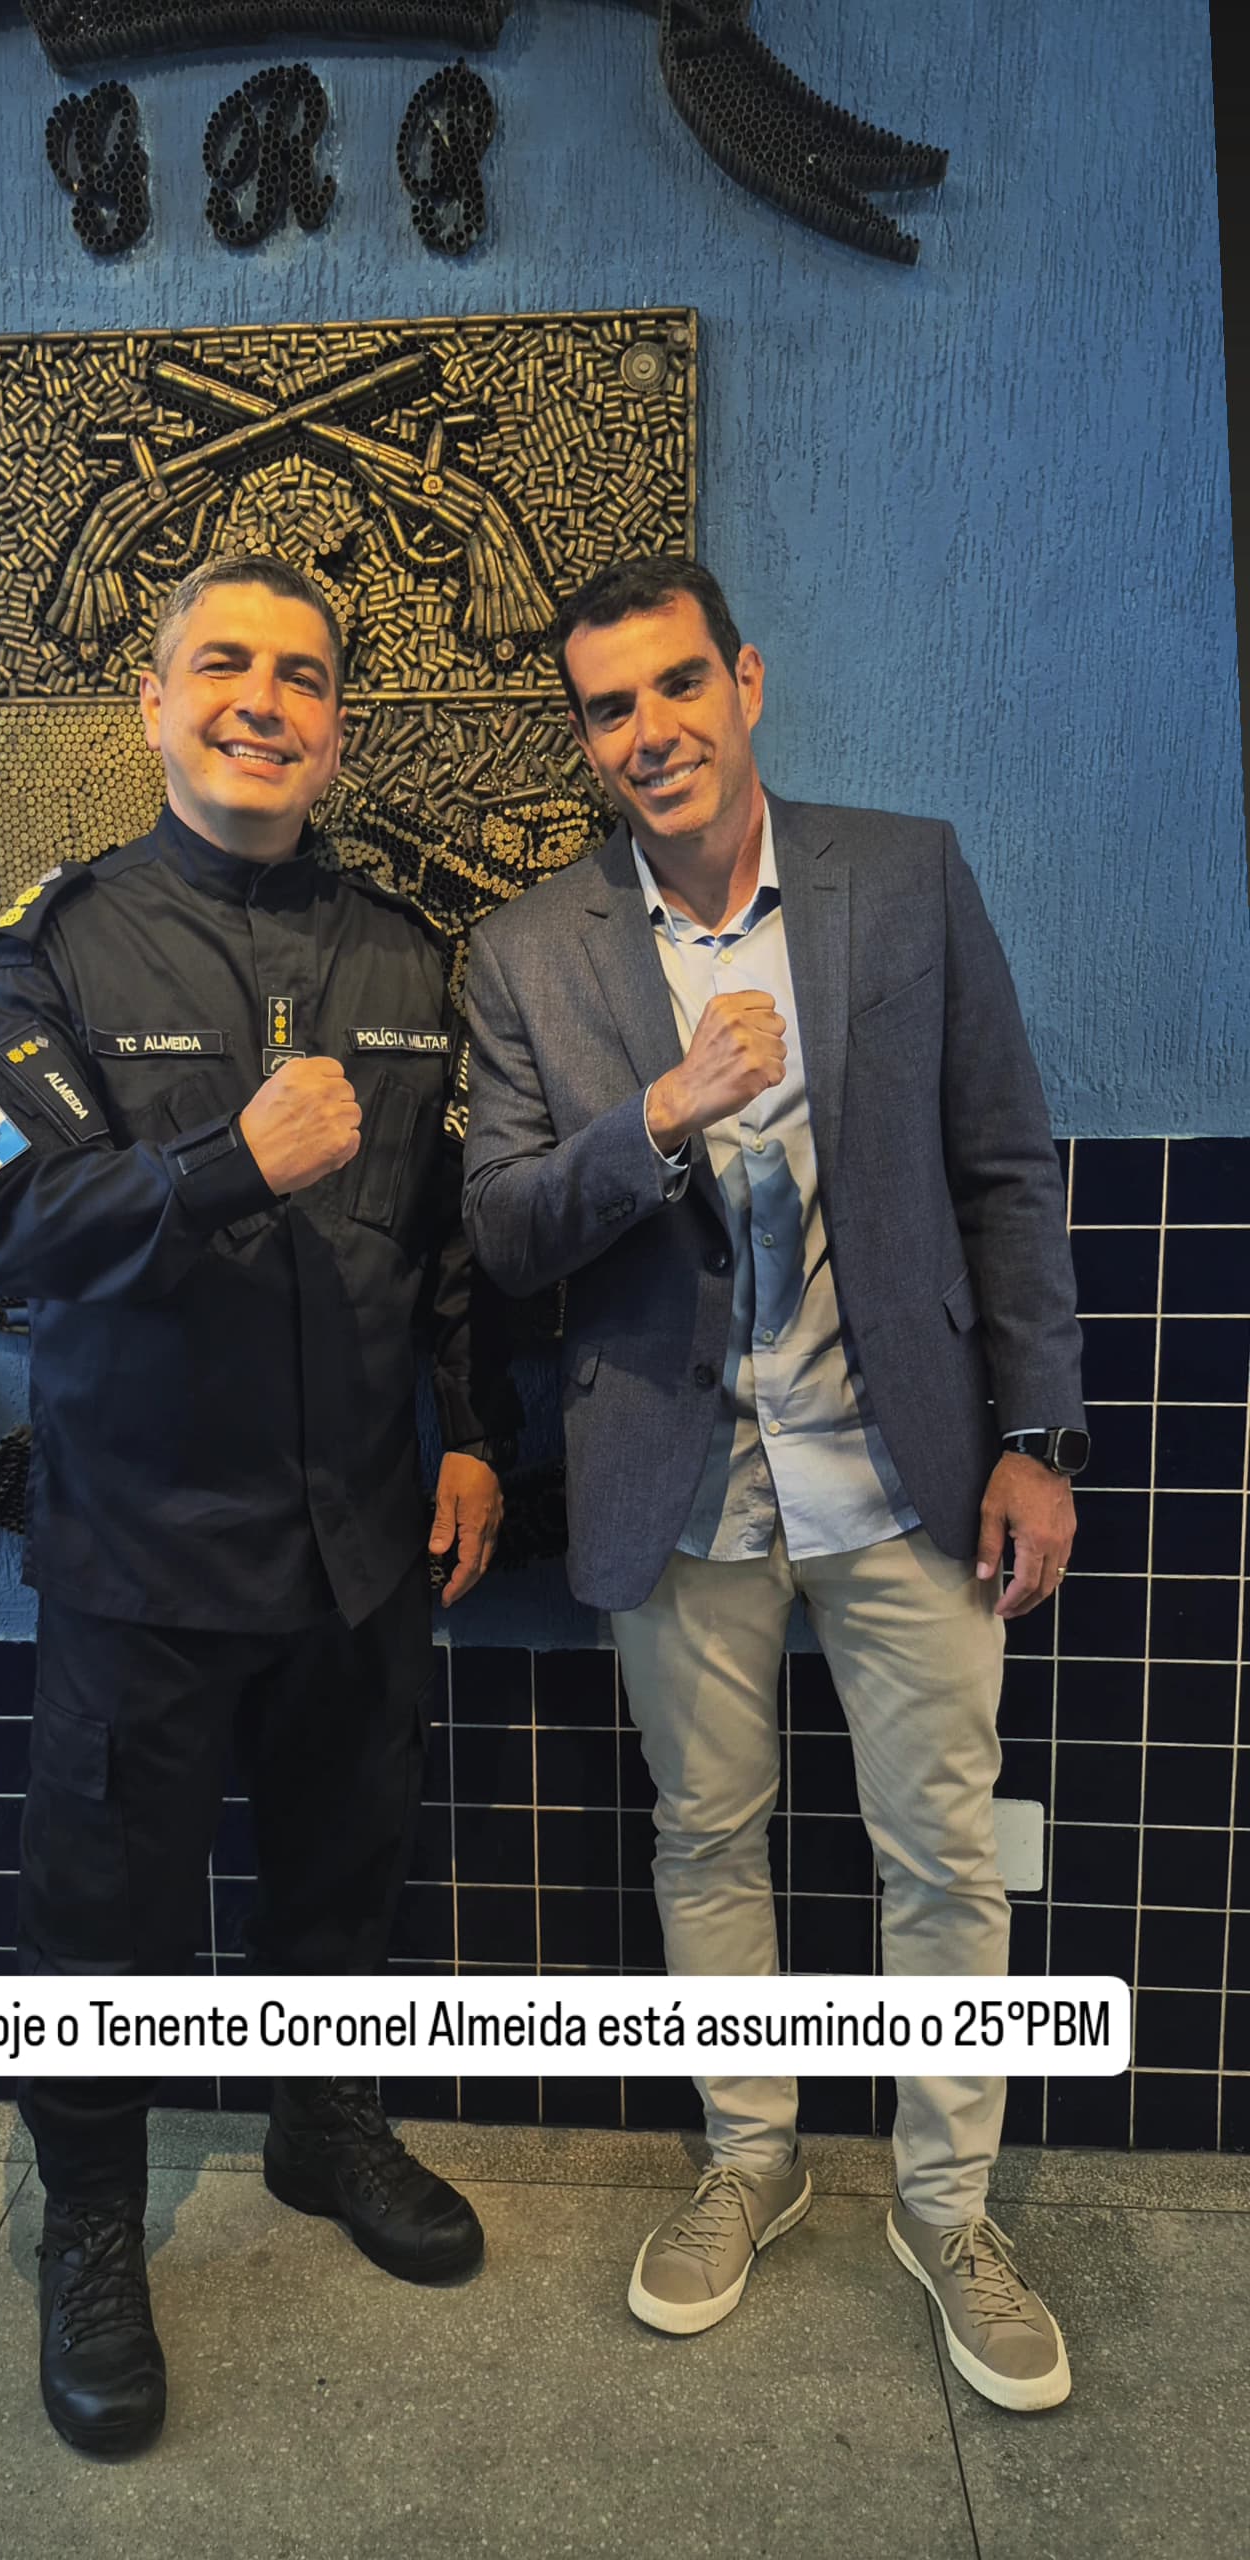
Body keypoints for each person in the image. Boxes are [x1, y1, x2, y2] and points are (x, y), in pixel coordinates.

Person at [462, 557, 1087, 2411]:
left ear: (743, 682)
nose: (649, 732)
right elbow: (504, 1228)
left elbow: (1005, 1167)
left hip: (907, 1469)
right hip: (681, 1481)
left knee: (944, 1853)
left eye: (677, 686)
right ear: (586, 739)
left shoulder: (903, 877)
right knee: (705, 1838)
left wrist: (1041, 1439)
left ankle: (948, 2206)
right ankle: (751, 2157)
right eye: (608, 708)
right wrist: (654, 1119)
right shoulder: (532, 951)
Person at [0, 555, 505, 2460]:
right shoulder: (50, 951)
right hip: (147, 1548)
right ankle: (91, 2220)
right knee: (106, 1920)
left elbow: (443, 1243)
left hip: (362, 1540)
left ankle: (324, 2128)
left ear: (338, 725)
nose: (265, 698)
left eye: (303, 674)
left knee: (346, 1869)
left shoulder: (408, 954)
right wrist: (224, 1167)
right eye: (223, 664)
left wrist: (469, 1434)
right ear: (154, 704)